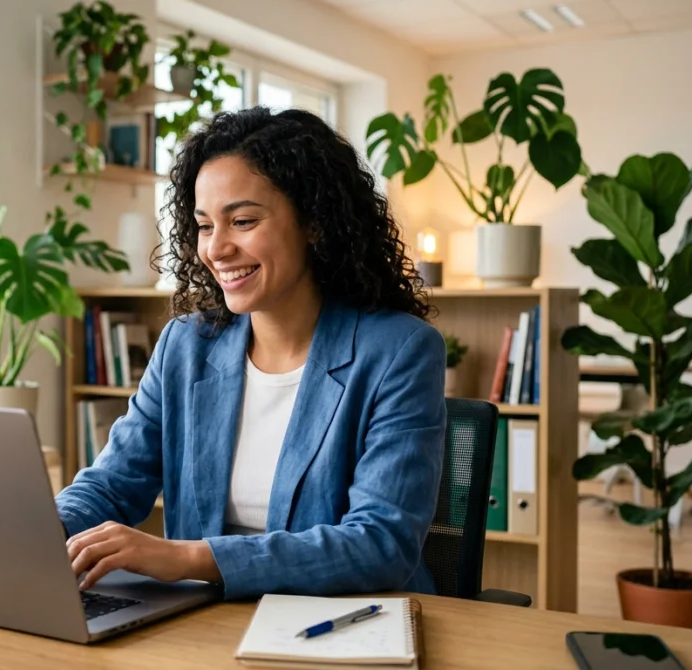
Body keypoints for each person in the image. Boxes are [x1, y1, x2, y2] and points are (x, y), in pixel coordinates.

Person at [55, 105, 446, 601]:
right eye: (204, 226)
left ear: (314, 222)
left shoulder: (398, 351)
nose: (216, 249)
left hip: (343, 621)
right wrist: (39, 528)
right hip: (204, 623)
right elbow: (111, 486)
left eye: (241, 221)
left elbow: (379, 544)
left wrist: (187, 559)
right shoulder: (185, 346)